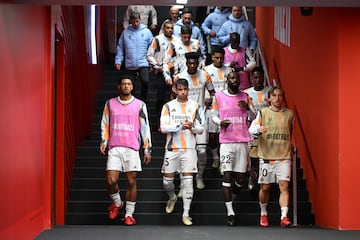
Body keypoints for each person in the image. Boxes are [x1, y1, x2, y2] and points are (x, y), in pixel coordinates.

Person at [100, 74, 152, 226]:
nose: (126, 86)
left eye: (129, 84)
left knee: (131, 181)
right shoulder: (110, 103)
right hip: (115, 147)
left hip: (132, 148)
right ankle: (117, 202)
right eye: (123, 84)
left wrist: (147, 149)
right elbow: (105, 123)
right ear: (119, 86)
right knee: (111, 180)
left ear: (132, 87)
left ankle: (129, 214)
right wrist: (103, 141)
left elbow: (145, 127)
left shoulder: (140, 105)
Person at [160, 78, 205, 226]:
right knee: (167, 182)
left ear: (188, 90)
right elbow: (163, 127)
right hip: (172, 147)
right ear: (175, 89)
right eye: (179, 89)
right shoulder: (168, 106)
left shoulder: (195, 106)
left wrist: (192, 127)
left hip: (189, 149)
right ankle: (172, 197)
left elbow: (201, 128)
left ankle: (186, 214)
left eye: (185, 89)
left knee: (188, 181)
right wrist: (180, 125)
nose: (182, 92)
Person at [248, 86, 294, 228]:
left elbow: (291, 131)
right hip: (267, 157)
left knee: (284, 187)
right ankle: (263, 213)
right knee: (265, 187)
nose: (277, 99)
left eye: (280, 96)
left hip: (284, 156)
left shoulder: (289, 114)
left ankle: (284, 217)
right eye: (274, 96)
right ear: (269, 98)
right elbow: (251, 129)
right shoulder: (263, 112)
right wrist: (258, 129)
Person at [211, 71, 252, 226]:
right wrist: (219, 122)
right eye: (231, 78)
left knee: (241, 179)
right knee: (227, 175)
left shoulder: (246, 96)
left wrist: (247, 108)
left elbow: (255, 117)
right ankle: (230, 212)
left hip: (242, 140)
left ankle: (231, 197)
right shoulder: (219, 96)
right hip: (227, 141)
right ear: (227, 80)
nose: (234, 80)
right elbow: (213, 114)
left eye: (236, 78)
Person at [174, 51, 215, 190]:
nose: (192, 65)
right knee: (183, 152)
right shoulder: (179, 77)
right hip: (183, 119)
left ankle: (199, 176)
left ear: (198, 63)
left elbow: (213, 91)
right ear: (186, 63)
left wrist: (210, 98)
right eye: (189, 63)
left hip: (200, 116)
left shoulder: (204, 75)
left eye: (194, 63)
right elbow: (173, 97)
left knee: (202, 151)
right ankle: (182, 184)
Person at [203, 46, 232, 169]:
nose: (219, 60)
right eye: (216, 58)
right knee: (212, 135)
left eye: (221, 58)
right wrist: (205, 98)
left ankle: (223, 159)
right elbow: (203, 86)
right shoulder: (206, 70)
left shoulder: (229, 70)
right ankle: (215, 157)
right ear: (212, 57)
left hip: (226, 106)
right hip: (212, 106)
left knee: (225, 134)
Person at [115, 12, 153, 101]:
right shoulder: (125, 33)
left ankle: (144, 99)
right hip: (130, 63)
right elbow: (120, 47)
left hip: (143, 62)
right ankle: (134, 100)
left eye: (137, 21)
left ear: (140, 20)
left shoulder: (146, 32)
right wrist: (118, 60)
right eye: (133, 22)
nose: (135, 24)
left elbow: (153, 47)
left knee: (145, 80)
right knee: (130, 84)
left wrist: (153, 63)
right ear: (130, 22)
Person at [243, 66, 270, 191]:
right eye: (255, 77)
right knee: (252, 156)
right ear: (251, 79)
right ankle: (252, 177)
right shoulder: (246, 93)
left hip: (266, 130)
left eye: (260, 77)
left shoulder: (269, 92)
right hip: (251, 129)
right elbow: (248, 114)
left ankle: (264, 179)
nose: (258, 79)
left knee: (264, 156)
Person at [146, 20, 176, 122]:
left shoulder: (176, 40)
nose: (170, 30)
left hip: (173, 72)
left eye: (172, 28)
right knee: (161, 97)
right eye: (168, 28)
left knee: (172, 97)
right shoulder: (157, 39)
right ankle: (159, 120)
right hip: (160, 73)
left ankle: (171, 120)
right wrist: (157, 66)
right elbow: (149, 55)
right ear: (164, 29)